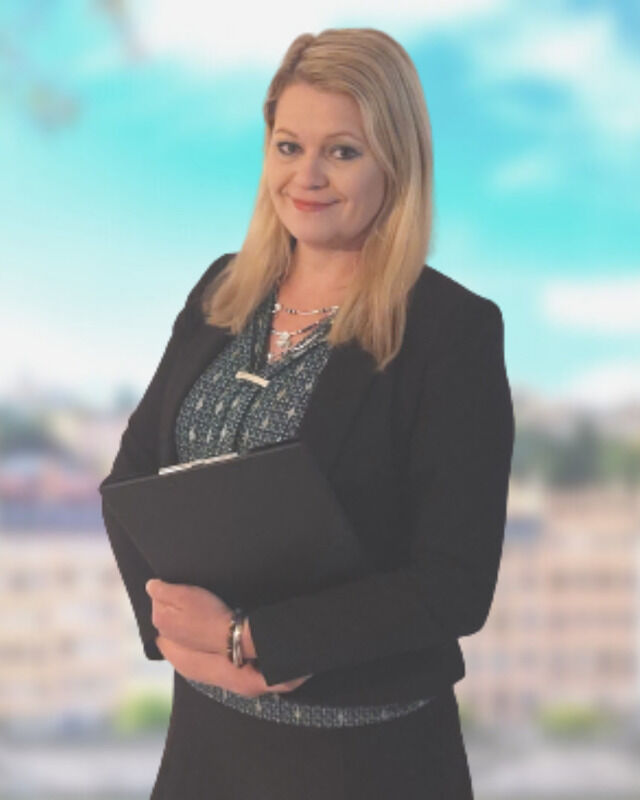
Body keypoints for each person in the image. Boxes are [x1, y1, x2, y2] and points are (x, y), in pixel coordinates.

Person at [99, 26, 514, 799]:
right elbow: (131, 479)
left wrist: (253, 640)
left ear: (396, 159)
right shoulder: (222, 289)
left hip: (367, 761)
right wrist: (182, 637)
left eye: (343, 151)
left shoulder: (451, 331)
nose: (308, 176)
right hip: (206, 747)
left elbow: (454, 583)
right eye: (289, 146)